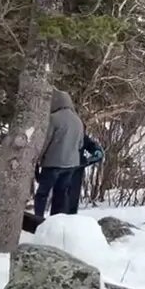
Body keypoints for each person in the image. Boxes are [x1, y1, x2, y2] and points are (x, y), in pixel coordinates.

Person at [34, 88, 83, 221]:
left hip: (53, 163)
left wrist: (37, 158)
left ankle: (37, 220)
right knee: (61, 195)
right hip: (71, 164)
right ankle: (56, 221)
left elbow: (45, 141)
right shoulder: (78, 120)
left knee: (42, 194)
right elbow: (80, 144)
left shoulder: (54, 118)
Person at [63, 133, 104, 215]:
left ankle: (70, 219)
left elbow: (89, 144)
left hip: (76, 167)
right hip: (60, 167)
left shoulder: (78, 130)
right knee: (61, 198)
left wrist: (96, 150)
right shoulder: (58, 127)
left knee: (72, 199)